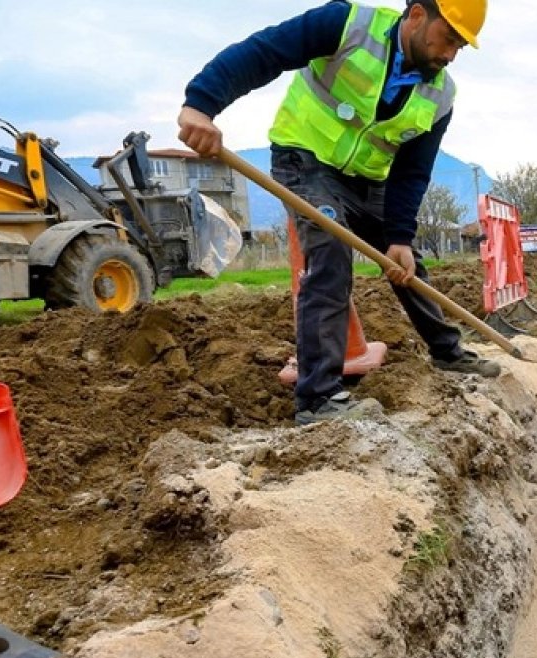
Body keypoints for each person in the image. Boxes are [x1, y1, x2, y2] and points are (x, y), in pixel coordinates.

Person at [176, 0, 499, 426]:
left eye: (460, 46)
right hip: (306, 161)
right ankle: (317, 396)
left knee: (407, 263)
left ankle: (447, 351)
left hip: (368, 179)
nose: (451, 54)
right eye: (450, 38)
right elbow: (264, 51)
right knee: (329, 252)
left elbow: (411, 172)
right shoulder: (347, 25)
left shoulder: (441, 93)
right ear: (418, 16)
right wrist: (201, 104)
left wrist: (399, 237)